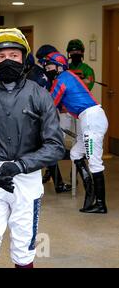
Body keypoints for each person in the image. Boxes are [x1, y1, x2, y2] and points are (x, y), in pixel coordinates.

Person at [0, 28, 65, 268]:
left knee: (24, 246)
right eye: (1, 57)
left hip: (27, 178)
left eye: (13, 54)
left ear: (24, 57)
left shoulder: (40, 96)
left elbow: (55, 146)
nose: (8, 60)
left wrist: (21, 164)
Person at [43, 52, 108, 213]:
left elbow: (51, 103)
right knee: (75, 153)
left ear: (59, 67)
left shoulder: (62, 79)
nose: (46, 69)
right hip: (88, 118)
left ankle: (100, 204)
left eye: (49, 66)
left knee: (95, 162)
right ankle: (90, 193)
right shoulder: (66, 76)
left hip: (91, 119)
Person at [31, 44, 72, 193]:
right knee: (49, 146)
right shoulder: (39, 75)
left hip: (41, 115)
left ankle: (55, 180)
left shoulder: (41, 72)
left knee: (48, 147)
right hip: (40, 116)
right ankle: (57, 183)